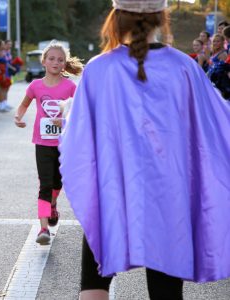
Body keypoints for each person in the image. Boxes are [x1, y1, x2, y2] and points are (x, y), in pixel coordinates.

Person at [59, 1, 230, 299]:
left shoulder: (99, 69)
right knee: (166, 293)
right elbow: (214, 126)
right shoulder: (184, 68)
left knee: (94, 287)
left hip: (112, 192)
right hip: (169, 199)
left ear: (116, 17)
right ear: (162, 18)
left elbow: (80, 139)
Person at [14, 42, 83, 245]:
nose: (56, 62)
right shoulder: (35, 86)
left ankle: (53, 204)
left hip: (64, 143)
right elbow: (23, 105)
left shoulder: (70, 87)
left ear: (64, 64)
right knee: (44, 184)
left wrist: (63, 121)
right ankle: (43, 229)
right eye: (51, 58)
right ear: (43, 61)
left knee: (58, 182)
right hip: (42, 143)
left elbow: (80, 112)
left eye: (60, 59)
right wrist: (18, 117)